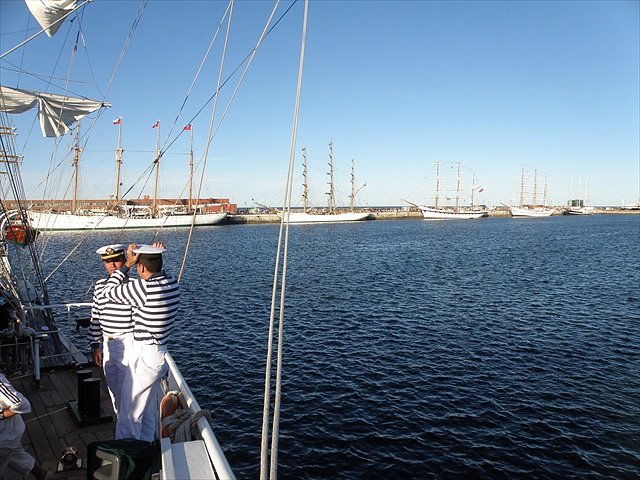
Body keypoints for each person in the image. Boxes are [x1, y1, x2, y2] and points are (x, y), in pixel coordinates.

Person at [99, 242, 179, 441]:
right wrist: (152, 253)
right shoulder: (172, 283)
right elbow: (156, 267)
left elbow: (109, 291)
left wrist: (127, 263)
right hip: (158, 354)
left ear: (141, 268)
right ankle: (146, 446)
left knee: (129, 412)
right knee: (145, 409)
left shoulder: (143, 289)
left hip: (145, 356)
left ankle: (127, 456)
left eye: (137, 266)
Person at [87, 244, 134, 416]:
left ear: (124, 260)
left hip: (127, 342)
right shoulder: (100, 286)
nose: (112, 266)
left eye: (116, 261)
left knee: (127, 390)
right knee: (113, 388)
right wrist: (95, 345)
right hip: (107, 343)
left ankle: (127, 428)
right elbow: (96, 315)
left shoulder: (134, 285)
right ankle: (121, 420)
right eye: (108, 262)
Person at [0, 371, 52, 480]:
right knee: (18, 458)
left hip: (5, 437)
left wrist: (1, 415)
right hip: (9, 434)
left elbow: (21, 404)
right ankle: (44, 476)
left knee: (12, 454)